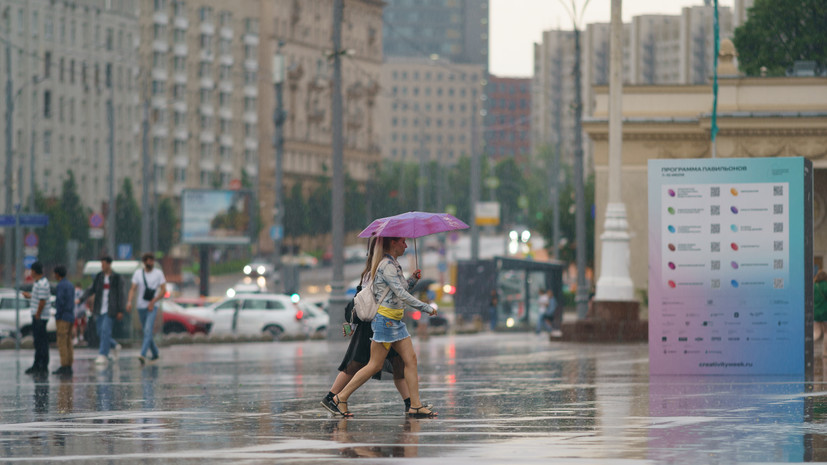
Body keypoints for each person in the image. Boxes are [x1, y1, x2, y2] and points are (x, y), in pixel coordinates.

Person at [331, 237, 439, 419]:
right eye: (402, 242)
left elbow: (403, 288)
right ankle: (340, 397)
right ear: (393, 243)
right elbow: (401, 293)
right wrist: (426, 307)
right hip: (385, 321)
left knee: (410, 360)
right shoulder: (386, 265)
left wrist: (413, 279)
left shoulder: (394, 264)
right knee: (374, 365)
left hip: (396, 321)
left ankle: (415, 405)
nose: (405, 245)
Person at [78, 256, 125, 365]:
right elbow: (91, 289)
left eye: (104, 264)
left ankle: (102, 354)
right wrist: (81, 299)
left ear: (109, 264)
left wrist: (120, 310)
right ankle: (114, 345)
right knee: (100, 332)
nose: (102, 266)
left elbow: (121, 294)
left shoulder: (116, 277)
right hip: (99, 309)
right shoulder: (99, 277)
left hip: (111, 309)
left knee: (105, 331)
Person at [127, 253, 166, 365]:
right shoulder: (138, 274)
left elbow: (163, 290)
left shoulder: (158, 274)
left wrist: (153, 301)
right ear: (144, 262)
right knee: (146, 332)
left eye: (152, 261)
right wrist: (129, 302)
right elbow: (133, 289)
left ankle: (142, 354)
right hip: (141, 306)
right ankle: (155, 353)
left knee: (148, 330)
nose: (151, 263)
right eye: (149, 261)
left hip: (152, 307)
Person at [22, 261, 51, 375]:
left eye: (31, 270)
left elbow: (42, 301)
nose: (30, 273)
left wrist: (38, 314)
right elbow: (39, 297)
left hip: (40, 317)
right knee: (38, 341)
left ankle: (42, 365)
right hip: (37, 315)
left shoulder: (42, 284)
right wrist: (29, 296)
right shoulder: (38, 283)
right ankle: (37, 363)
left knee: (41, 342)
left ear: (34, 271)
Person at [52, 265, 75, 376]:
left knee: (61, 341)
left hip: (62, 317)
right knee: (68, 341)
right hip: (70, 316)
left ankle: (64, 365)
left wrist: (58, 315)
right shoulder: (70, 285)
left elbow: (60, 301)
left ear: (57, 274)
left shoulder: (60, 285)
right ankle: (69, 364)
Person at [814, 270, 827, 354]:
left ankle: (806, 343)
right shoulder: (826, 286)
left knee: (817, 333)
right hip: (825, 313)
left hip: (815, 313)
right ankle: (825, 352)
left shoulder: (813, 286)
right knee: (826, 332)